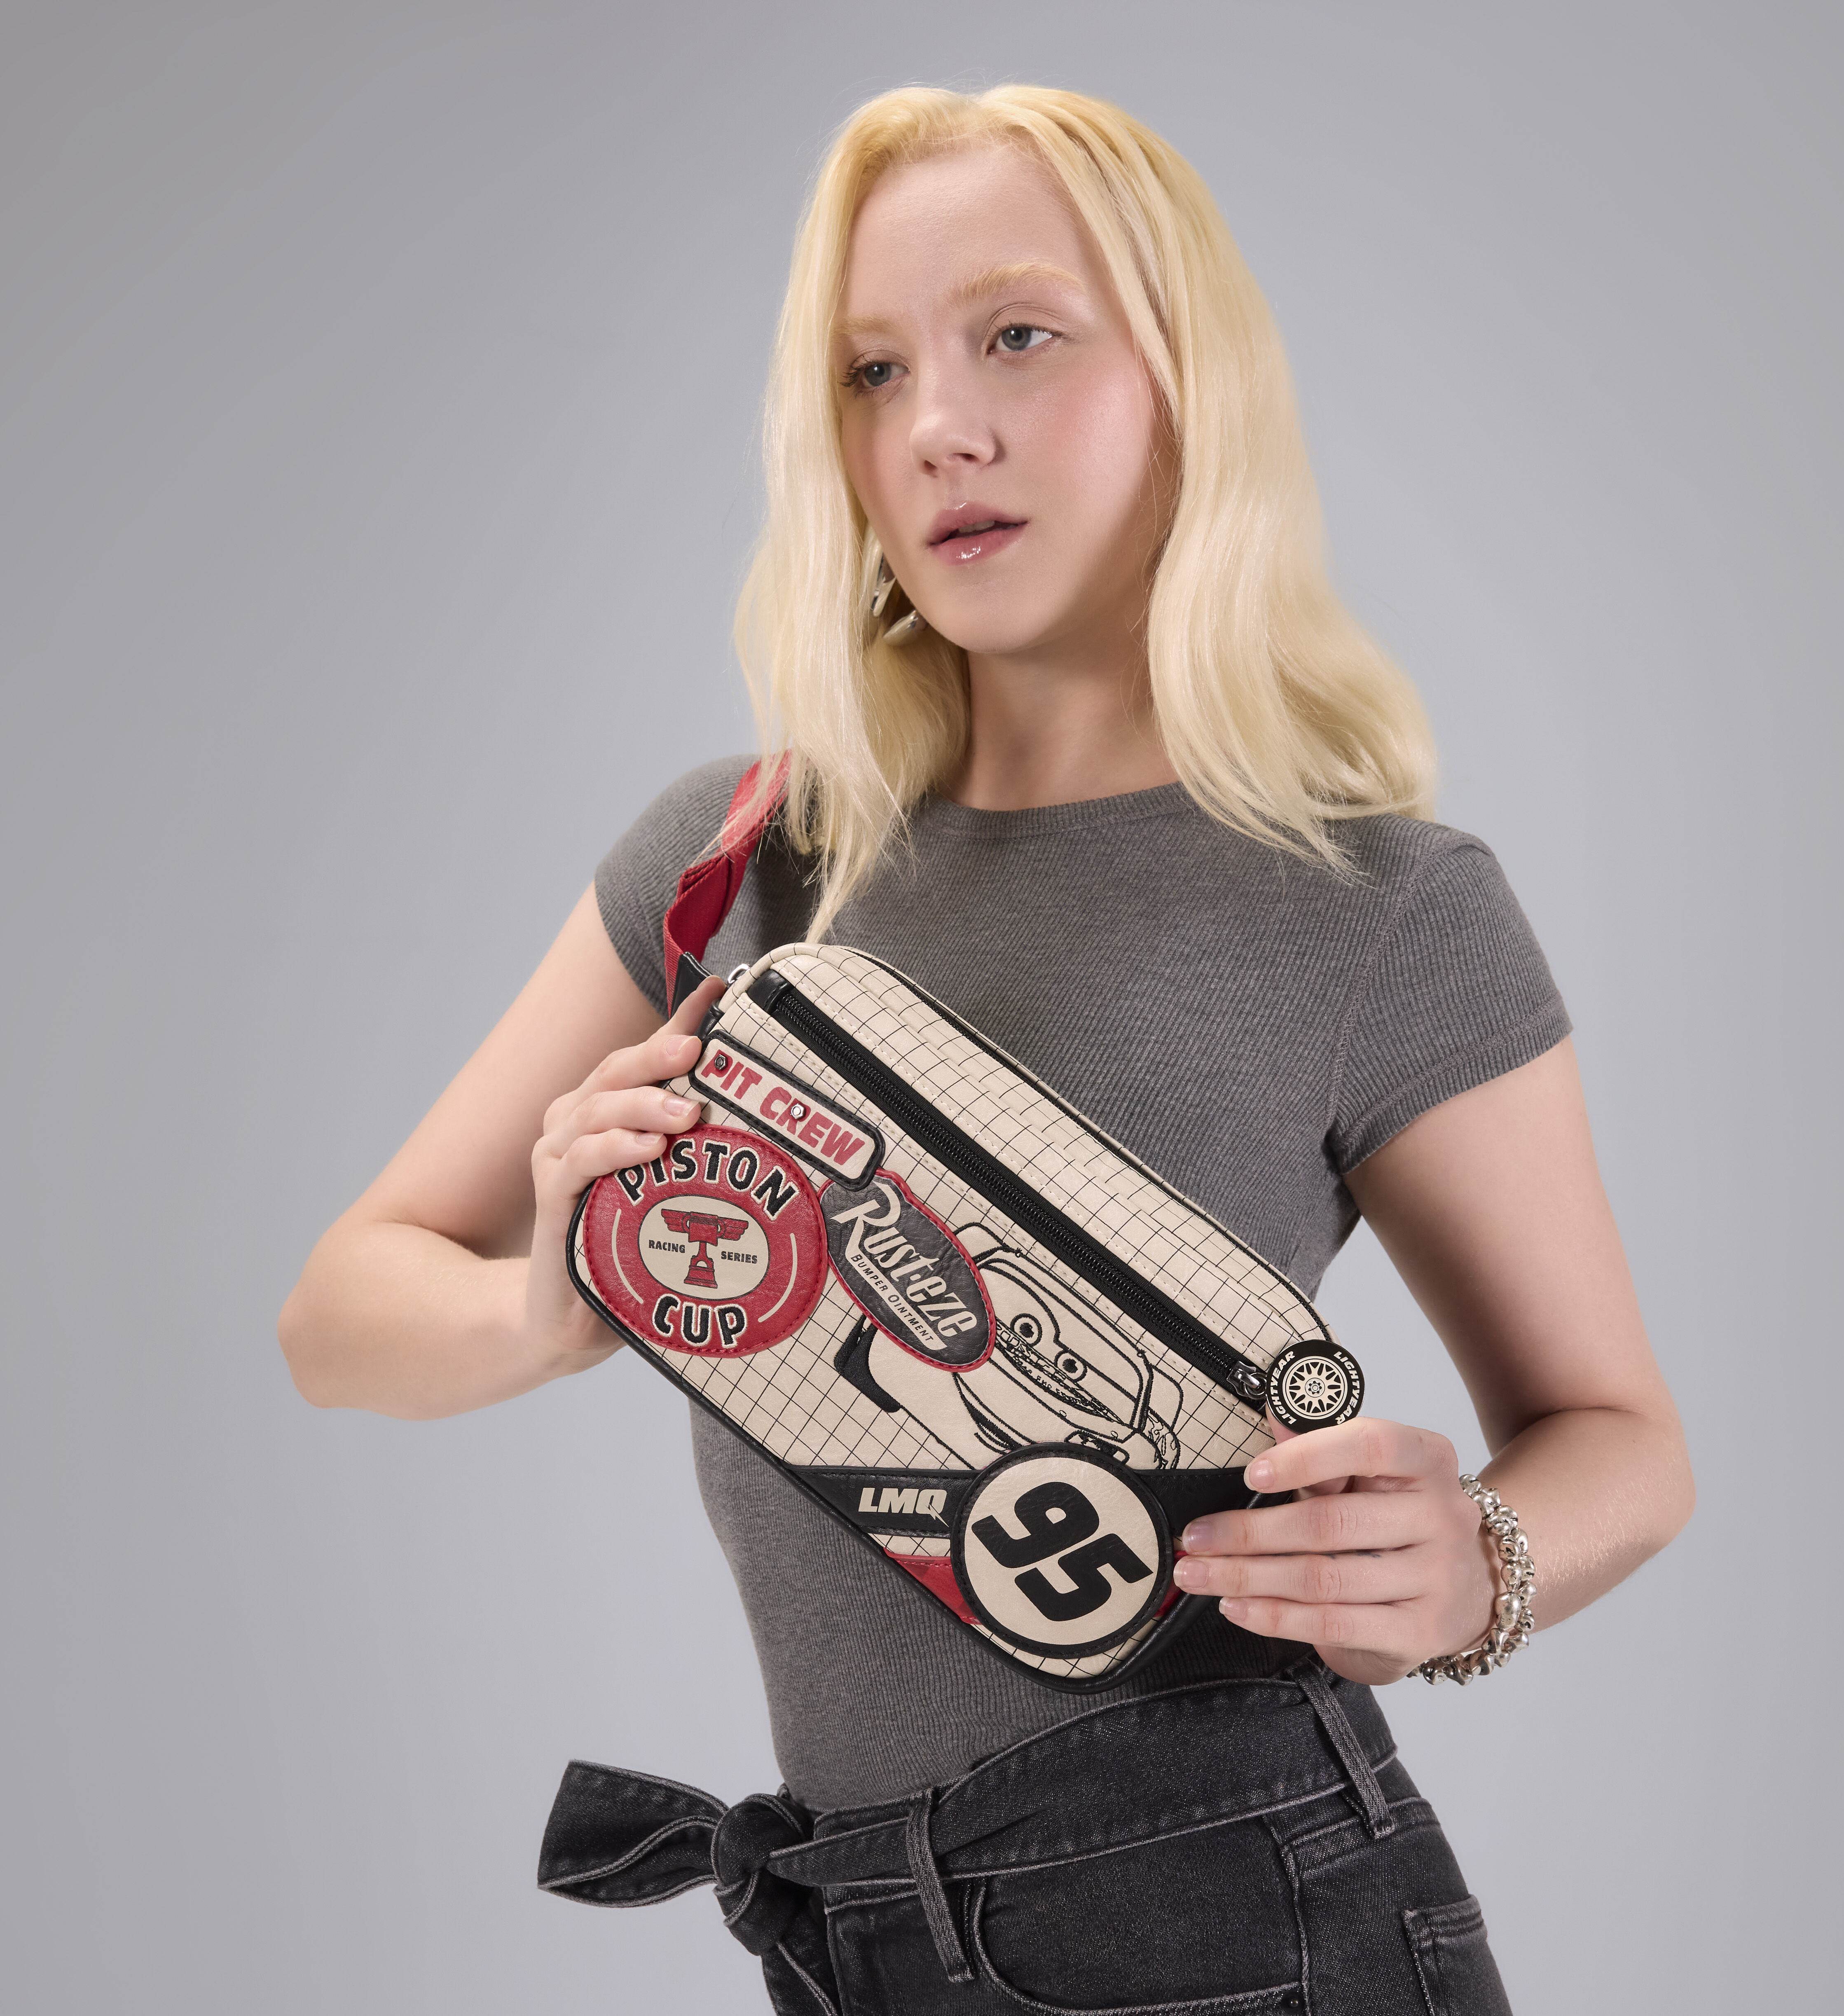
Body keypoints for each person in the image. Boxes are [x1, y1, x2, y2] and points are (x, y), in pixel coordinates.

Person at [281, 84, 1692, 2015]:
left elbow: (1623, 1438)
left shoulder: (1381, 903)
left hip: (1238, 1910)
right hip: (843, 1925)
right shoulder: (740, 859)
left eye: (1019, 334)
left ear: (1190, 378)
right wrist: (556, 1298)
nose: (937, 423)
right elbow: (336, 1318)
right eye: (873, 370)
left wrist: (1477, 1570)